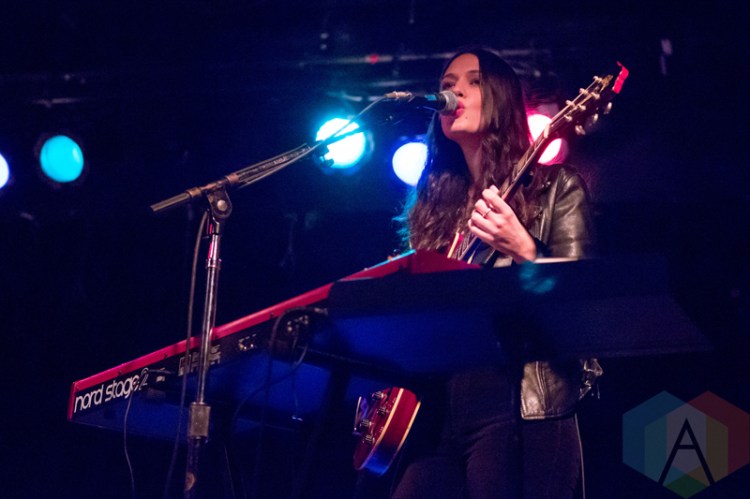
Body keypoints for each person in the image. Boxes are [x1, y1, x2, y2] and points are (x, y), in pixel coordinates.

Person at [383, 46, 601, 498]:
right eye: (447, 85)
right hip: (436, 412)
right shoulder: (434, 210)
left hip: (515, 404)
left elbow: (582, 306)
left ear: (501, 97)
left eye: (473, 81)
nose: (454, 91)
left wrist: (524, 248)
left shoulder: (556, 189)